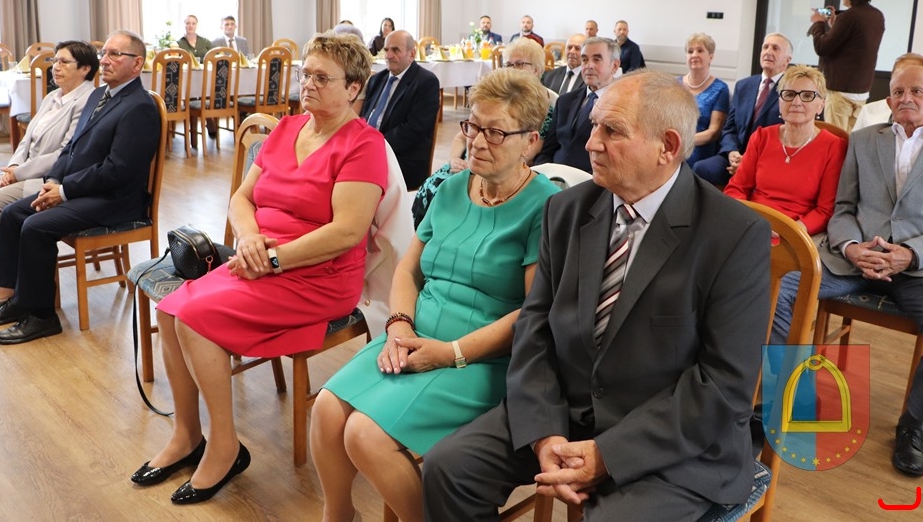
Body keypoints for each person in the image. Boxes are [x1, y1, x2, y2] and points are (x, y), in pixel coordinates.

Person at [422, 69, 771, 521]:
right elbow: (535, 328)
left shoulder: (733, 234)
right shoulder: (567, 209)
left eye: (612, 130)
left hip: (671, 441)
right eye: (593, 126)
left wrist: (608, 454)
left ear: (667, 146)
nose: (591, 143)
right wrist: (545, 432)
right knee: (449, 469)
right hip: (566, 412)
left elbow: (724, 385)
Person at [131, 33, 387, 505]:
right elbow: (242, 198)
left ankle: (225, 446)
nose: (308, 84)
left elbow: (347, 232)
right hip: (259, 259)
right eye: (306, 74)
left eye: (322, 77)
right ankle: (187, 435)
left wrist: (271, 260)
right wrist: (249, 238)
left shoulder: (363, 144)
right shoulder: (288, 128)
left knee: (193, 318)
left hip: (318, 275)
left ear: (353, 88)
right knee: (169, 310)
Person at [311, 68, 558, 522]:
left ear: (530, 142)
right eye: (473, 126)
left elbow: (531, 313)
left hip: (482, 359)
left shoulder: (545, 206)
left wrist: (449, 352)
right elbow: (408, 268)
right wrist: (399, 325)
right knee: (326, 410)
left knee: (365, 435)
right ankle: (339, 516)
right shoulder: (451, 188)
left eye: (496, 132)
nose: (476, 142)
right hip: (413, 335)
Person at [770, 56, 923, 477]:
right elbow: (842, 208)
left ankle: (914, 426)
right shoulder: (863, 139)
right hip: (852, 260)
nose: (906, 98)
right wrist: (853, 247)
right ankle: (793, 397)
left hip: (914, 269)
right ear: (888, 99)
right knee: (782, 289)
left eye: (917, 91)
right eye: (898, 91)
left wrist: (910, 253)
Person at [0, 30, 160, 344]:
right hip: (83, 188)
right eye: (105, 53)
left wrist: (64, 191)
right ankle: (19, 299)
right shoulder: (99, 95)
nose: (105, 60)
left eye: (115, 54)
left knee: (36, 226)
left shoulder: (139, 106)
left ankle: (42, 316)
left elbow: (118, 171)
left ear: (137, 63)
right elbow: (70, 149)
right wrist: (53, 180)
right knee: (13, 213)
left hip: (115, 200)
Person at [0, 41, 98, 304]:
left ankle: (8, 280)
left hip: (48, 177)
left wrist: (19, 173)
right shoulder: (52, 96)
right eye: (55, 61)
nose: (56, 67)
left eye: (64, 62)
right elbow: (27, 139)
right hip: (25, 170)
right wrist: (13, 166)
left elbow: (65, 153)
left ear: (85, 69)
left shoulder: (87, 102)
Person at [412, 39, 556, 227]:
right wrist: (455, 160)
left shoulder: (540, 111)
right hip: (465, 168)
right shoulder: (491, 104)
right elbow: (460, 138)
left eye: (519, 64)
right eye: (508, 64)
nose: (512, 69)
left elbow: (525, 157)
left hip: (490, 172)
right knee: (432, 188)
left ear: (536, 70)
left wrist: (476, 166)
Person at [724, 65, 846, 235]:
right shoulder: (761, 137)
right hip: (751, 224)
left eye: (807, 96)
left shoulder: (834, 146)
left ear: (821, 105)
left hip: (797, 231)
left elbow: (825, 210)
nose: (796, 102)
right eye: (789, 94)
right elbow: (737, 188)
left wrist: (791, 232)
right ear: (779, 102)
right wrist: (748, 222)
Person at [692, 33, 792, 185]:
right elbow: (729, 128)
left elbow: (789, 137)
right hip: (735, 156)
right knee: (701, 168)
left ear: (787, 60)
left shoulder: (791, 91)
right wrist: (732, 152)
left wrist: (749, 161)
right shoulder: (743, 85)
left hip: (766, 161)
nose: (768, 52)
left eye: (775, 48)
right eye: (765, 47)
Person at [361, 29, 440, 189]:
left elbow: (414, 129)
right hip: (368, 148)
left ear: (412, 54)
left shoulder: (426, 82)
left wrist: (375, 146)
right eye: (386, 50)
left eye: (395, 50)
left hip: (400, 158)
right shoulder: (377, 79)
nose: (389, 55)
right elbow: (365, 116)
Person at [809, 0, 885, 131]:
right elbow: (855, 42)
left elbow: (822, 47)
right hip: (862, 89)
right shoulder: (877, 15)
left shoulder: (850, 16)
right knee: (852, 138)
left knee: (835, 136)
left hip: (841, 90)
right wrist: (835, 25)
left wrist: (818, 23)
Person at [533, 36, 620, 172]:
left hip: (591, 180)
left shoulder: (621, 106)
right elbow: (548, 150)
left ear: (614, 66)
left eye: (596, 60)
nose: (589, 66)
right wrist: (542, 174)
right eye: (584, 59)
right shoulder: (565, 101)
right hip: (554, 175)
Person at [680, 32, 729, 166]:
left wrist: (682, 142)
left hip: (699, 149)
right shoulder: (675, 85)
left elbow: (713, 133)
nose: (694, 55)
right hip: (673, 145)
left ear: (711, 57)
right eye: (690, 51)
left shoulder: (720, 88)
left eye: (700, 50)